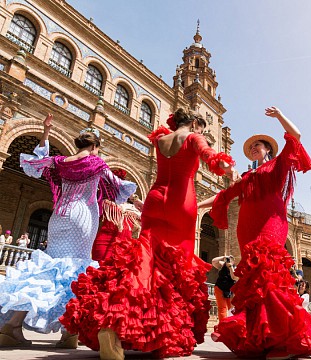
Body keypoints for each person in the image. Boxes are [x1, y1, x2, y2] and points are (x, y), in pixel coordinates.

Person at [60, 108, 239, 360]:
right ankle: (158, 330)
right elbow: (211, 157)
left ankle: (113, 322)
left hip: (155, 199)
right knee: (175, 267)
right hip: (181, 203)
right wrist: (227, 167)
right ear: (196, 124)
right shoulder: (193, 137)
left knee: (143, 260)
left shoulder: (161, 139)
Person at [199, 106, 311, 359]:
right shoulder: (247, 176)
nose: (253, 149)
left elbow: (297, 137)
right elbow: (224, 196)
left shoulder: (277, 166)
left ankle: (284, 337)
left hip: (271, 223)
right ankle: (266, 336)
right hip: (246, 229)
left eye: (258, 146)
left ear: (268, 150)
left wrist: (280, 115)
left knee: (268, 274)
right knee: (255, 283)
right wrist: (195, 205)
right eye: (251, 148)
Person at [0, 113, 136, 349]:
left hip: (59, 215)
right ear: (94, 146)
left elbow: (37, 161)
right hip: (83, 217)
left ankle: (12, 325)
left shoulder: (61, 162)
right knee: (76, 272)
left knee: (48, 268)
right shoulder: (96, 163)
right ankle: (68, 333)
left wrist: (45, 132)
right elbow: (119, 186)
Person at [91, 169, 143, 262]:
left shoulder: (133, 210)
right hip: (103, 245)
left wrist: (135, 199)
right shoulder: (105, 204)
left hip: (124, 251)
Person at [212, 255, 238, 322]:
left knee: (231, 309)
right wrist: (223, 257)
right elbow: (214, 261)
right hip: (219, 288)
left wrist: (230, 267)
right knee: (222, 308)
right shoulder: (222, 265)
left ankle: (231, 324)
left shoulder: (235, 268)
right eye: (228, 259)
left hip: (230, 290)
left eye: (230, 259)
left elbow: (234, 277)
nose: (229, 261)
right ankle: (222, 325)